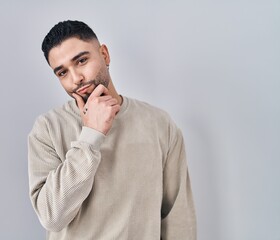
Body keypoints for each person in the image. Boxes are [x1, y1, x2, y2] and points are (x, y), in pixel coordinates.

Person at [28, 20, 196, 240]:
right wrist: (91, 135)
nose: (76, 78)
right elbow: (52, 216)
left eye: (81, 60)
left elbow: (178, 217)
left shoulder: (158, 123)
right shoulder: (47, 129)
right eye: (62, 73)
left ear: (104, 55)